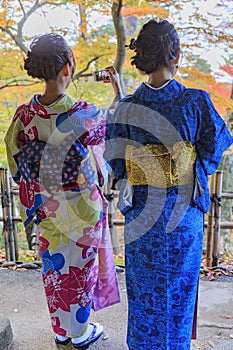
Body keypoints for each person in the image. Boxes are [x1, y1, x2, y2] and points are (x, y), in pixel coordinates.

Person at [104, 18, 233, 350]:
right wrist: (190, 171)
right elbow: (214, 146)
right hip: (182, 215)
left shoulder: (128, 107)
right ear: (176, 54)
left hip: (142, 216)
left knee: (145, 291)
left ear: (142, 58)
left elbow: (116, 160)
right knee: (178, 289)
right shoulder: (196, 102)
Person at [4, 33, 122, 349]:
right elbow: (111, 131)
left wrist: (31, 181)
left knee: (54, 266)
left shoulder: (24, 115)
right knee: (81, 267)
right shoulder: (84, 114)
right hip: (82, 205)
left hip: (46, 205)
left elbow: (13, 154)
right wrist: (118, 93)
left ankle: (60, 329)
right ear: (67, 68)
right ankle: (80, 333)